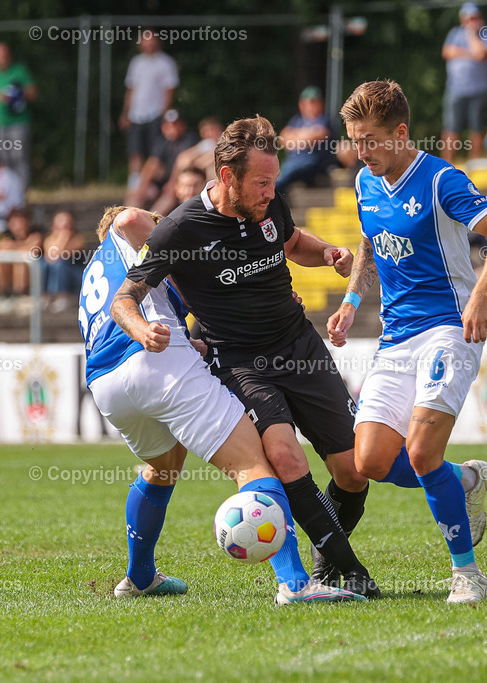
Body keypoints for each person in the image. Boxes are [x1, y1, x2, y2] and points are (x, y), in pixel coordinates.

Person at [112, 116, 380, 597]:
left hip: (299, 345)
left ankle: (325, 560)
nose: (270, 190)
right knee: (283, 456)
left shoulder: (268, 201)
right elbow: (124, 298)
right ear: (227, 176)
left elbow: (292, 241)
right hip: (240, 362)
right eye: (260, 182)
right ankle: (351, 572)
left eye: (273, 180)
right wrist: (141, 330)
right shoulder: (181, 229)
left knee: (353, 471)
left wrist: (326, 254)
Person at [80, 205, 362, 605]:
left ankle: (140, 576)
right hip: (151, 357)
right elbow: (128, 219)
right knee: (254, 466)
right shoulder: (133, 232)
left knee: (162, 468)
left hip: (106, 382)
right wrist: (166, 228)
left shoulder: (96, 270)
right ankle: (295, 583)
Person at [330, 79, 487, 604]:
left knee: (419, 452)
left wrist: (480, 298)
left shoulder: (441, 180)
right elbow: (370, 240)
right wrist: (351, 299)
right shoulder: (365, 182)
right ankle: (462, 482)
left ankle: (468, 574)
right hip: (395, 336)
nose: (360, 151)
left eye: (369, 140)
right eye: (353, 140)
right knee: (366, 462)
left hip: (448, 328)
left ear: (400, 133)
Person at [441, 2, 487, 162]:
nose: (471, 22)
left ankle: (475, 166)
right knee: (451, 129)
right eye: (468, 19)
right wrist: (471, 53)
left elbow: (482, 54)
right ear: (462, 19)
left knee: (476, 129)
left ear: (480, 18)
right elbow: (447, 52)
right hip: (454, 90)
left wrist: (472, 35)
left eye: (475, 18)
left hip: (478, 90)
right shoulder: (454, 33)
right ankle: (446, 165)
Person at [121, 32, 179, 191]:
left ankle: (152, 184)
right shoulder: (136, 62)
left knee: (155, 152)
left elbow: (169, 89)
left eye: (152, 42)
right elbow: (131, 89)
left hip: (155, 114)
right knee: (135, 150)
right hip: (136, 114)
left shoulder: (165, 62)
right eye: (146, 42)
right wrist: (126, 112)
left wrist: (164, 113)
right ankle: (134, 185)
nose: (149, 46)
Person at [0, 42, 37, 187]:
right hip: (1, 124)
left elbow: (33, 93)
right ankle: (9, 193)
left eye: (3, 56)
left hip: (19, 123)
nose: (1, 59)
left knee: (19, 158)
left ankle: (21, 193)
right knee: (4, 160)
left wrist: (14, 95)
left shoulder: (19, 71)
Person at [125, 109, 199, 210]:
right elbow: (152, 164)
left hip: (180, 182)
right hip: (165, 182)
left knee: (170, 194)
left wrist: (172, 183)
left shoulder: (189, 139)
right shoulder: (163, 141)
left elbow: (182, 163)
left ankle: (153, 221)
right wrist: (141, 187)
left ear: (182, 125)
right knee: (138, 192)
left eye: (175, 125)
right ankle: (126, 218)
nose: (171, 128)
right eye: (168, 125)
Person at [275, 86, 337, 192]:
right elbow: (282, 139)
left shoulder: (324, 120)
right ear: (301, 105)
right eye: (308, 102)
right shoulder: (296, 120)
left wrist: (295, 136)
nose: (311, 106)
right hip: (292, 163)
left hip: (312, 165)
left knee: (282, 180)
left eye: (314, 102)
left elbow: (318, 135)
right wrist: (307, 134)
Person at [0, 209, 43, 316]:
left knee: (21, 260)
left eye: (20, 222)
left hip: (36, 275)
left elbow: (32, 250)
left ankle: (22, 296)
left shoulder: (36, 235)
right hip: (11, 273)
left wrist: (13, 248)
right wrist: (22, 246)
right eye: (14, 223)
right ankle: (4, 296)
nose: (18, 226)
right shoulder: (5, 239)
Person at [40, 210, 84, 313]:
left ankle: (63, 296)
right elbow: (50, 257)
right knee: (44, 264)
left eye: (66, 226)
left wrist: (64, 236)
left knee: (60, 264)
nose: (62, 229)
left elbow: (58, 254)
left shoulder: (78, 240)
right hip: (55, 272)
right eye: (59, 226)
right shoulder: (48, 240)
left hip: (74, 277)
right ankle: (46, 295)